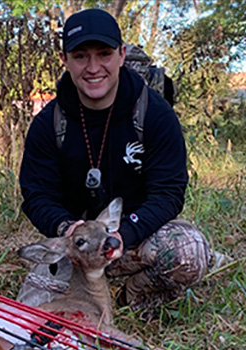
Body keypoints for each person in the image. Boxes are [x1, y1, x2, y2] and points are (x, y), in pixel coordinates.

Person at [17, 8, 229, 315]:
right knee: (29, 315)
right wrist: (65, 227)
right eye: (80, 56)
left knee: (188, 251)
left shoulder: (155, 114)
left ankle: (129, 298)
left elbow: (168, 193)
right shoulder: (48, 123)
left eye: (104, 54)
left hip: (130, 238)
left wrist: (124, 234)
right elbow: (37, 195)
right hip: (76, 248)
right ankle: (88, 286)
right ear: (64, 60)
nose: (93, 68)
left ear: (121, 54)